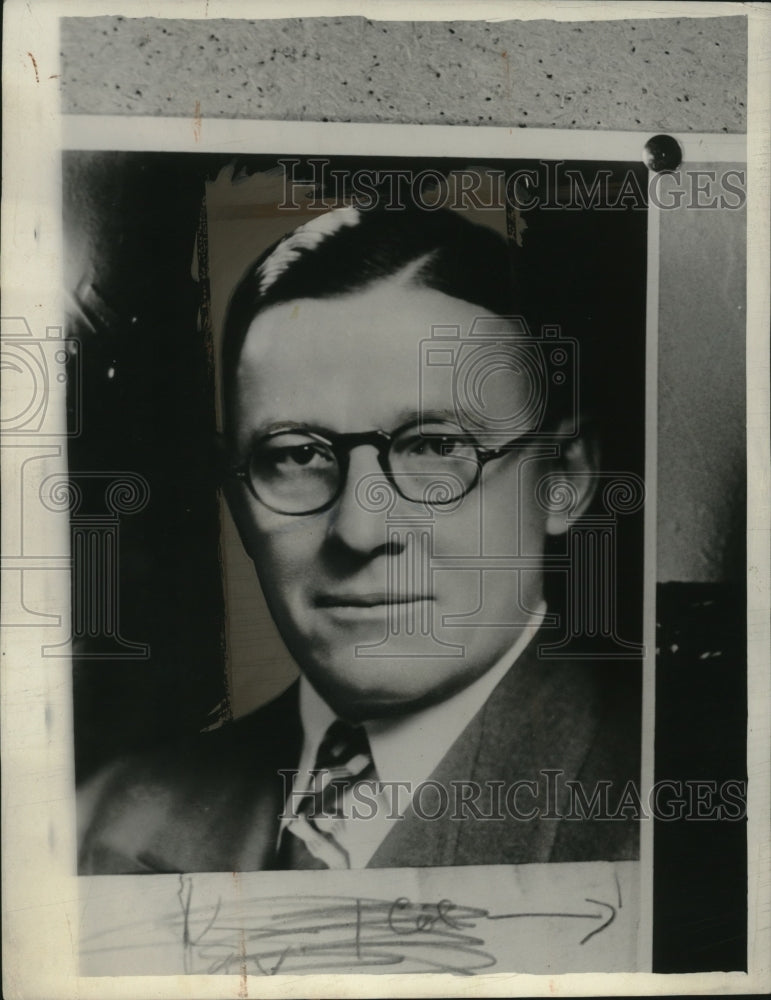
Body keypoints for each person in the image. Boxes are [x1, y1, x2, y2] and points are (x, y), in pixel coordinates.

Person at [78, 204, 641, 874]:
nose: (359, 528)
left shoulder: (680, 810)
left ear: (563, 479)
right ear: (233, 495)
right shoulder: (112, 816)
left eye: (434, 446)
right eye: (295, 455)